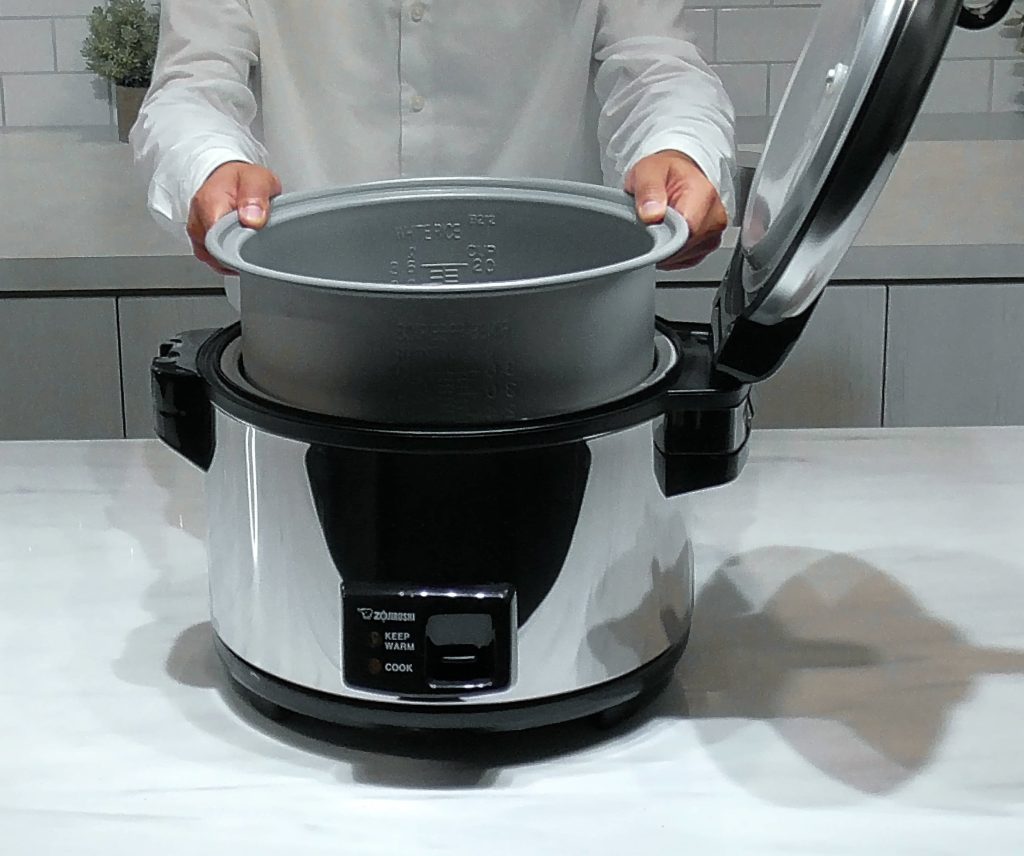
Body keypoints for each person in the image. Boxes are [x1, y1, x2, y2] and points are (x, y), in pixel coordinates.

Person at [132, 1, 736, 277]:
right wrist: (210, 164)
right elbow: (193, 83)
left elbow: (657, 66)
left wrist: (679, 147)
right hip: (305, 325)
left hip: (553, 323)